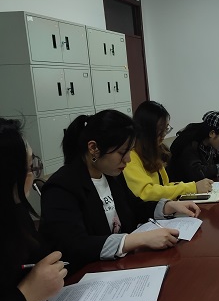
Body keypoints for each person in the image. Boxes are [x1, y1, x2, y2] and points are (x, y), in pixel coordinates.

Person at [39, 110, 200, 270]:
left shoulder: (111, 175)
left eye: (130, 151)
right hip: (88, 273)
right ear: (93, 148)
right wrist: (136, 240)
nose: (128, 159)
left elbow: (134, 207)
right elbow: (74, 245)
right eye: (122, 152)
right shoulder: (61, 187)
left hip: (120, 265)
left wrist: (167, 206)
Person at [0, 118, 67, 301]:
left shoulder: (15, 211)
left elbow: (40, 257)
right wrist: (26, 295)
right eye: (30, 167)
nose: (33, 174)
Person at [123, 101, 213, 201]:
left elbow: (164, 186)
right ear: (146, 130)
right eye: (160, 130)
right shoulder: (131, 157)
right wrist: (192, 187)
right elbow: (146, 193)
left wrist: (192, 186)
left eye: (166, 129)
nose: (163, 135)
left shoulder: (154, 152)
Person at [168, 111, 219, 182]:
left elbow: (213, 161)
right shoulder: (189, 144)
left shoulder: (207, 144)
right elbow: (197, 173)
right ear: (212, 133)